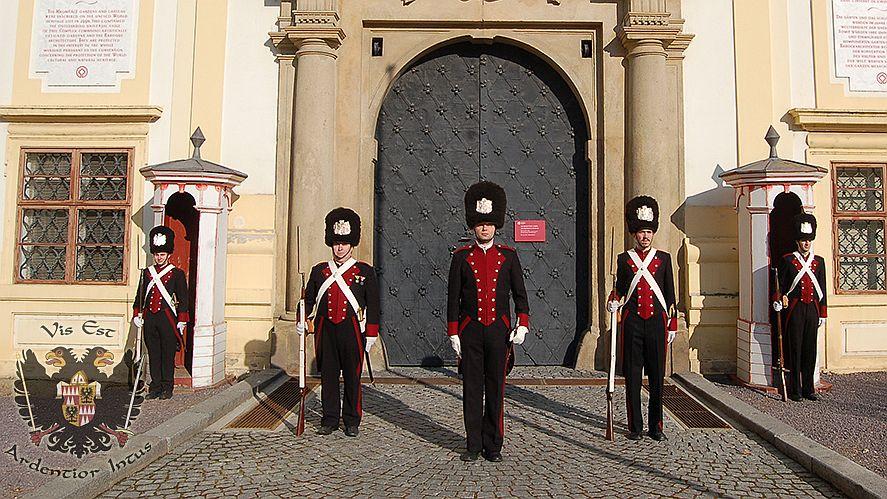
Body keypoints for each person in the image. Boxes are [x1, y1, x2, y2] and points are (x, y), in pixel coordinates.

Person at [447, 181, 530, 462]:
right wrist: (453, 333)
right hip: (470, 331)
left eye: (489, 224)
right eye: (480, 224)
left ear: (496, 226)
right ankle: (472, 443)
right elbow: (453, 298)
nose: (485, 228)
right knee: (472, 389)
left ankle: (493, 444)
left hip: (498, 330)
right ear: (473, 226)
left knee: (495, 388)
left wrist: (523, 325)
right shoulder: (461, 258)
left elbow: (520, 294)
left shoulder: (508, 257)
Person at [300, 207, 380, 437]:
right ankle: (330, 418)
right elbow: (307, 300)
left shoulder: (364, 271)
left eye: (344, 243)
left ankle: (352, 420)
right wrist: (302, 318)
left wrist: (372, 334)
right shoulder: (319, 271)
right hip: (326, 328)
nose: (339, 247)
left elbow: (373, 304)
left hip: (352, 328)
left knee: (353, 376)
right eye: (336, 242)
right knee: (328, 374)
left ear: (351, 244)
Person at [607, 196, 677, 441]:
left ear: (653, 232)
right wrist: (613, 299)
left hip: (657, 322)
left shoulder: (664, 259)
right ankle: (635, 425)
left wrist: (672, 323)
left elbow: (670, 294)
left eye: (648, 231)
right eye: (640, 232)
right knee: (633, 376)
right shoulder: (624, 259)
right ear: (634, 234)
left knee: (657, 376)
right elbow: (620, 289)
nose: (645, 236)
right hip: (633, 322)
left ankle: (656, 425)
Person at [772, 213, 826, 402]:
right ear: (797, 241)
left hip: (812, 309)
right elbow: (779, 285)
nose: (806, 244)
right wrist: (780, 299)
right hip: (794, 310)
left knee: (810, 349)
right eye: (803, 240)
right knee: (795, 349)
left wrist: (823, 313)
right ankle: (795, 389)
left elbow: (823, 289)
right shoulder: (788, 260)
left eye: (809, 240)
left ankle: (808, 388)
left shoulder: (818, 262)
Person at [132, 226, 189, 400]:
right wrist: (137, 314)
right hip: (150, 317)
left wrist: (182, 319)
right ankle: (155, 386)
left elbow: (183, 298)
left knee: (167, 353)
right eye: (157, 254)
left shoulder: (176, 274)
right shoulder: (147, 273)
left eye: (162, 254)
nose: (159, 257)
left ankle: (167, 387)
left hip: (167, 318)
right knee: (154, 353)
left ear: (168, 255)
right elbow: (139, 295)